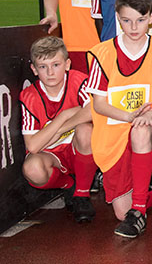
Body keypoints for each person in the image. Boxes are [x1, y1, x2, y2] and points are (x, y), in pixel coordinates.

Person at [85, 0, 152, 237]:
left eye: (140, 20)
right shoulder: (102, 53)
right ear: (118, 18)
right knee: (118, 212)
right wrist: (128, 116)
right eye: (126, 20)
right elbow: (99, 104)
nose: (134, 27)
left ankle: (138, 211)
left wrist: (144, 117)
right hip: (113, 129)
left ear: (151, 18)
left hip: (151, 122)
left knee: (140, 131)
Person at [20, 36, 97, 223]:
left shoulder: (79, 81)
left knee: (86, 131)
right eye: (43, 67)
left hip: (78, 148)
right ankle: (70, 185)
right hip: (52, 155)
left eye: (56, 65)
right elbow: (33, 145)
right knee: (32, 169)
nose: (50, 72)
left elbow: (92, 111)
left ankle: (82, 195)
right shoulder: (29, 96)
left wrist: (60, 129)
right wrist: (63, 117)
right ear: (34, 69)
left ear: (67, 64)